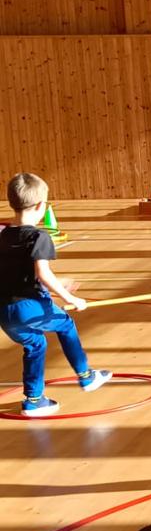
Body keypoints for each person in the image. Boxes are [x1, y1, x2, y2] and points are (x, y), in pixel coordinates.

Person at [0, 173, 111, 419]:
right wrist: (70, 298)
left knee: (35, 344)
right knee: (66, 324)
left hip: (4, 312)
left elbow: (17, 272)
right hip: (28, 306)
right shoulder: (39, 237)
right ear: (41, 206)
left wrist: (58, 284)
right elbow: (42, 273)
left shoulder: (3, 235)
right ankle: (86, 377)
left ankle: (34, 401)